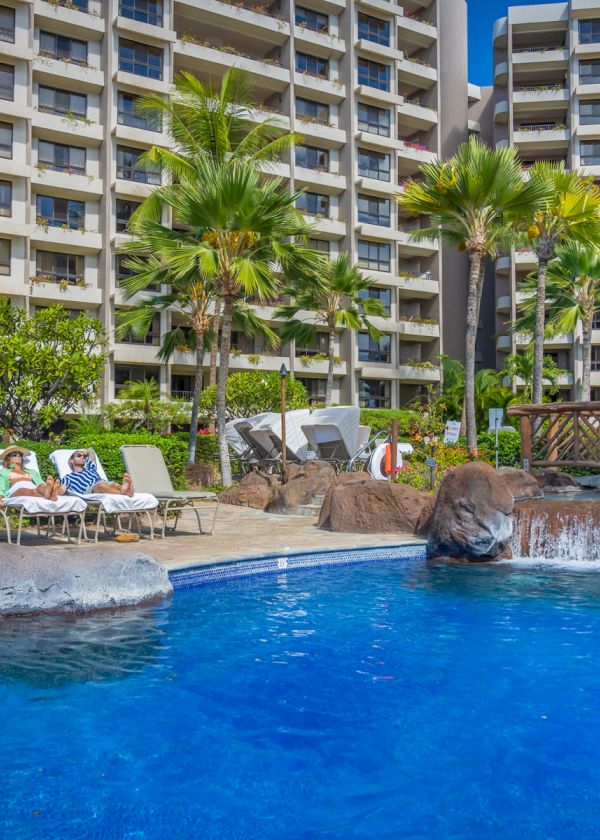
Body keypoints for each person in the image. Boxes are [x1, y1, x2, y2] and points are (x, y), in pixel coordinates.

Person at [0, 446, 65, 508]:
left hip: (32, 487)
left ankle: (50, 492)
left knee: (40, 486)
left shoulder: (32, 472)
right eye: (14, 455)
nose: (18, 456)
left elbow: (40, 483)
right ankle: (53, 493)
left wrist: (45, 486)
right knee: (27, 490)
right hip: (15, 490)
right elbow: (1, 486)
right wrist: (1, 498)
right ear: (8, 458)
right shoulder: (4, 471)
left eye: (20, 455)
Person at [62, 449, 135, 497]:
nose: (82, 457)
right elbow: (62, 489)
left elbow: (90, 450)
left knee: (114, 484)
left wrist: (84, 452)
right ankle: (124, 493)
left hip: (103, 482)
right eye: (78, 456)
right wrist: (57, 490)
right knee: (101, 486)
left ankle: (125, 489)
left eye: (83, 456)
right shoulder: (69, 477)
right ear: (71, 460)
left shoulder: (90, 467)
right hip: (89, 489)